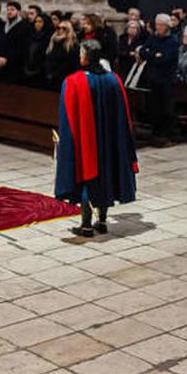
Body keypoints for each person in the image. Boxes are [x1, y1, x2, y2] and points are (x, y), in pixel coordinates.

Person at [55, 44, 139, 236]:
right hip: (109, 140)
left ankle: (85, 225)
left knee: (87, 176)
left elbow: (66, 117)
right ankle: (101, 222)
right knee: (105, 175)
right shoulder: (113, 79)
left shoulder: (73, 81)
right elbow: (123, 115)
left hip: (86, 140)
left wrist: (66, 143)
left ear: (85, 58)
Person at [137, 13, 180, 146]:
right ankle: (155, 135)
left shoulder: (172, 41)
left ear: (167, 26)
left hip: (166, 80)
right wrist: (154, 55)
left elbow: (165, 59)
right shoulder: (153, 37)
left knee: (166, 109)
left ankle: (167, 136)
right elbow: (143, 51)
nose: (158, 27)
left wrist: (153, 55)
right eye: (157, 25)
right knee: (153, 107)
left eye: (161, 25)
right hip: (152, 79)